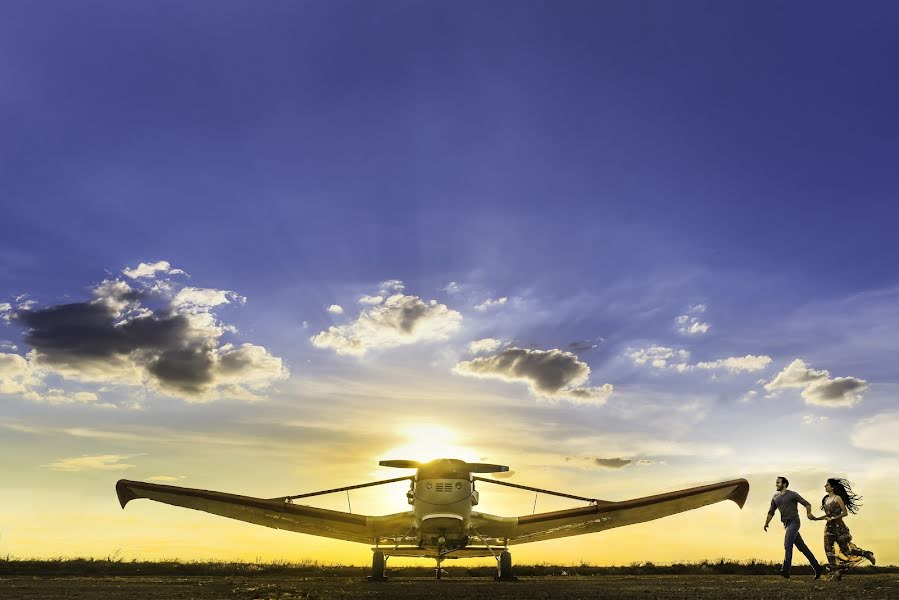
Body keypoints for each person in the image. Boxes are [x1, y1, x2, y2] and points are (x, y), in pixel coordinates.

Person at [809, 478, 875, 580]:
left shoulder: (837, 498)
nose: (825, 486)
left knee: (846, 551)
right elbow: (827, 515)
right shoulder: (826, 499)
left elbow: (845, 513)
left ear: (832, 487)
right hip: (829, 528)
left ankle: (865, 553)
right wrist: (816, 519)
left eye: (827, 485)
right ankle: (836, 573)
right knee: (828, 549)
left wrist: (833, 518)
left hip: (839, 527)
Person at [764, 475, 823, 578]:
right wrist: (766, 523)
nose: (776, 484)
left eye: (778, 482)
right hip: (786, 524)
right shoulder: (775, 497)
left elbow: (807, 504)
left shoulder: (792, 495)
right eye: (776, 482)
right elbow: (771, 512)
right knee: (803, 548)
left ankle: (786, 570)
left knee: (787, 544)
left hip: (794, 522)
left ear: (784, 484)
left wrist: (808, 513)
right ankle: (817, 567)